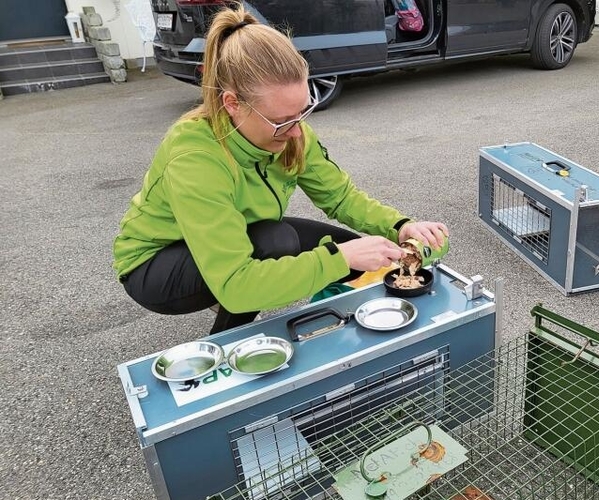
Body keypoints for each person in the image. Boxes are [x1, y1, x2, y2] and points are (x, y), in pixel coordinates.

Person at [112, 4, 448, 335]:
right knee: (278, 245)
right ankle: (227, 348)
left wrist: (400, 227)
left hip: (236, 231)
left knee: (352, 251)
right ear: (232, 104)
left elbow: (340, 197)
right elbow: (236, 285)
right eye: (281, 121)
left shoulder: (291, 130)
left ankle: (260, 281)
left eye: (303, 112)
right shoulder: (194, 157)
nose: (296, 132)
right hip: (155, 265)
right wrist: (336, 259)